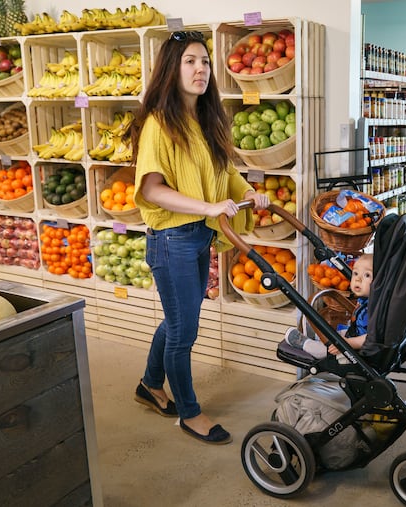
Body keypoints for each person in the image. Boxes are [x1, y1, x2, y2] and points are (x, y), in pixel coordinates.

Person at [129, 30, 270, 445]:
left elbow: (225, 172)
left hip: (198, 237)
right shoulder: (159, 123)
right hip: (172, 240)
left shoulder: (206, 120)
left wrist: (248, 193)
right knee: (184, 331)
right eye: (190, 61)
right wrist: (209, 207)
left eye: (205, 62)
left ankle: (149, 385)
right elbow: (151, 189)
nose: (200, 69)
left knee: (179, 321)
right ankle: (190, 412)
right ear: (172, 69)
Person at [285, 254, 373, 359]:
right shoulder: (366, 299)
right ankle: (318, 337)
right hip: (354, 334)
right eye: (355, 273)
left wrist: (349, 343)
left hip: (358, 351)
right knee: (337, 333)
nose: (358, 279)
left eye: (367, 275)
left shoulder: (373, 310)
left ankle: (305, 344)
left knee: (324, 349)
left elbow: (373, 338)